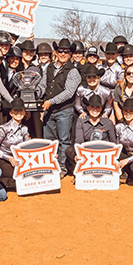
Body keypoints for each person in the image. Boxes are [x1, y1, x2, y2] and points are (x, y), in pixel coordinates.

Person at [41, 38, 82, 177]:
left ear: (70, 53)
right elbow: (43, 85)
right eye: (60, 51)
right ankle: (50, 165)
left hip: (64, 110)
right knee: (49, 140)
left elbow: (69, 92)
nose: (63, 54)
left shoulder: (73, 71)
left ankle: (62, 167)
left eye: (66, 51)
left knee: (64, 140)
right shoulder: (49, 67)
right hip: (49, 110)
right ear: (56, 52)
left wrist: (50, 101)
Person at [65, 94, 116, 173]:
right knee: (69, 150)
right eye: (92, 107)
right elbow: (79, 141)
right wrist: (79, 154)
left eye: (97, 107)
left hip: (103, 153)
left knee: (121, 155)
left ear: (101, 109)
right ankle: (80, 170)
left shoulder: (108, 123)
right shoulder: (81, 121)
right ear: (88, 108)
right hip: (86, 152)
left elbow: (113, 142)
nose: (95, 110)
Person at [0, 98, 31, 188]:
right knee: (18, 176)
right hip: (1, 159)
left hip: (17, 160)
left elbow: (29, 147)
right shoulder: (3, 128)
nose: (19, 113)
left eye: (21, 110)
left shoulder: (25, 129)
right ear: (11, 113)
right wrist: (9, 158)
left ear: (24, 112)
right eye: (15, 111)